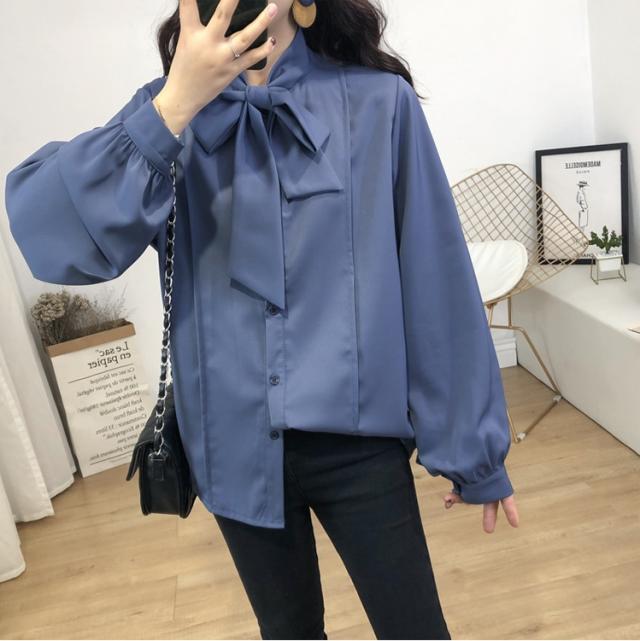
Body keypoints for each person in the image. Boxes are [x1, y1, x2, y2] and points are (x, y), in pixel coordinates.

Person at [5, 0, 520, 638]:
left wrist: (474, 452)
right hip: (230, 444)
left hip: (359, 445)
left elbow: (434, 279)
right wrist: (173, 107)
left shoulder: (380, 105)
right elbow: (52, 239)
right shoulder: (166, 113)